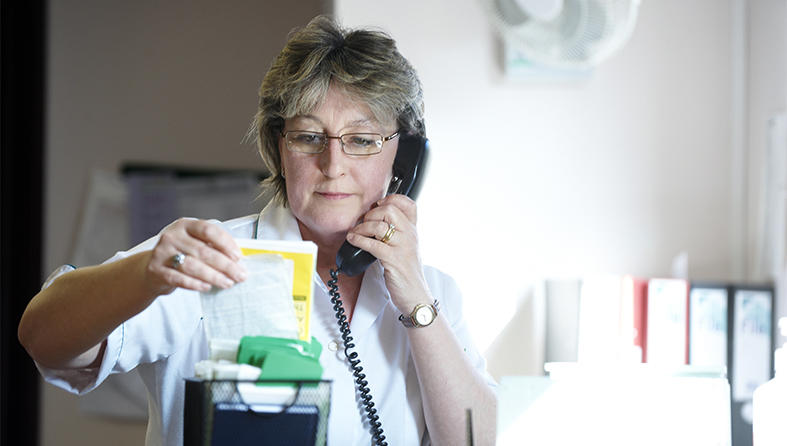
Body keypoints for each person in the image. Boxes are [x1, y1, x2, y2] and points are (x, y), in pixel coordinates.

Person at [19, 15, 497, 445]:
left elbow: (476, 439)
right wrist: (145, 274)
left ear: (405, 158)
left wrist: (414, 297)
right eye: (309, 137)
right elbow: (43, 338)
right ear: (278, 145)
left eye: (362, 140)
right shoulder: (206, 257)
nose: (334, 165)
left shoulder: (433, 295)